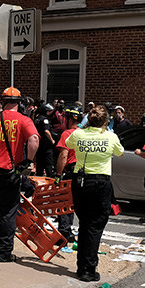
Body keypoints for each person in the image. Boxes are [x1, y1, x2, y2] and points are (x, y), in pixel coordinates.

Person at [0, 87, 39, 262]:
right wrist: (28, 161)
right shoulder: (23, 120)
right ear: (19, 103)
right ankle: (3, 252)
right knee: (8, 213)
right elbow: (34, 139)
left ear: (3, 102)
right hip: (9, 172)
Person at [68, 105, 123, 281]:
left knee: (85, 223)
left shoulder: (78, 134)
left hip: (80, 182)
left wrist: (83, 128)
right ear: (106, 121)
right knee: (95, 225)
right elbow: (120, 153)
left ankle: (81, 265)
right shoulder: (110, 136)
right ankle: (88, 269)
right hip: (100, 182)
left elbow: (68, 143)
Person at [54, 104, 83, 243]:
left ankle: (64, 232)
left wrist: (58, 175)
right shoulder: (85, 133)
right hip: (85, 171)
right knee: (76, 202)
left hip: (71, 171)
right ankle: (72, 231)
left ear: (69, 119)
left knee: (64, 201)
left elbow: (63, 156)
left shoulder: (67, 134)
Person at [34, 103, 56, 177]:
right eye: (49, 111)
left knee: (39, 163)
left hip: (38, 144)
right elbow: (46, 131)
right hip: (46, 145)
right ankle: (51, 180)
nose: (50, 113)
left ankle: (39, 179)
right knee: (48, 163)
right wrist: (52, 140)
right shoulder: (45, 120)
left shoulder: (37, 118)